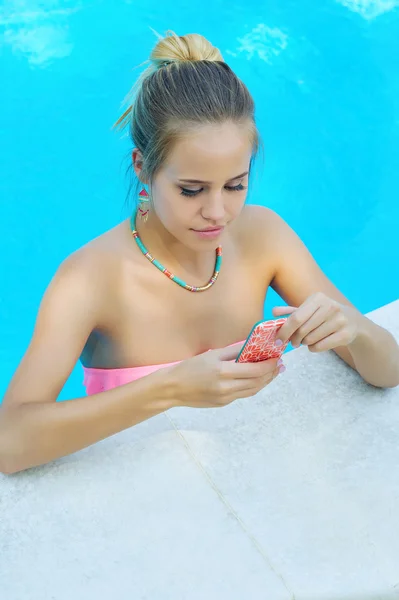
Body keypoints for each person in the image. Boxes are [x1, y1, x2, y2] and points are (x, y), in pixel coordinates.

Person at [1, 32, 398, 475]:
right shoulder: (89, 280)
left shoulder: (263, 235)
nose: (217, 213)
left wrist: (355, 330)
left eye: (236, 185)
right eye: (191, 190)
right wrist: (169, 389)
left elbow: (389, 371)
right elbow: (10, 443)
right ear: (142, 167)